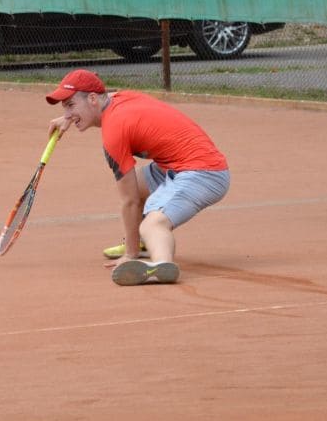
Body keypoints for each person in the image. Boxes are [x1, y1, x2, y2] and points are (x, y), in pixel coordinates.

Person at [46, 69, 230, 286]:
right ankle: (144, 245)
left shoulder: (114, 132)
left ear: (93, 99)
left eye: (70, 105)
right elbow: (105, 97)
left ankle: (161, 264)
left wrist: (129, 255)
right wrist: (71, 115)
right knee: (140, 185)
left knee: (151, 224)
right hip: (177, 166)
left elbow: (130, 200)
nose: (67, 113)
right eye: (64, 107)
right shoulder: (118, 99)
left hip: (204, 173)